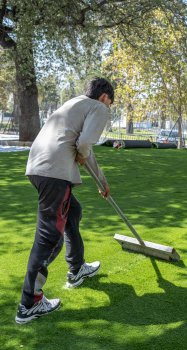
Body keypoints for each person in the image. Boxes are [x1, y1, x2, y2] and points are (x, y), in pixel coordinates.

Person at [15, 77, 114, 324]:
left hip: (38, 168)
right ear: (104, 98)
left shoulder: (74, 104)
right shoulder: (99, 108)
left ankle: (77, 267)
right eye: (110, 103)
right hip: (54, 174)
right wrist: (82, 154)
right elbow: (84, 145)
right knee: (49, 238)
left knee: (73, 213)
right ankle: (30, 303)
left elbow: (83, 150)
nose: (108, 108)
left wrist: (101, 182)